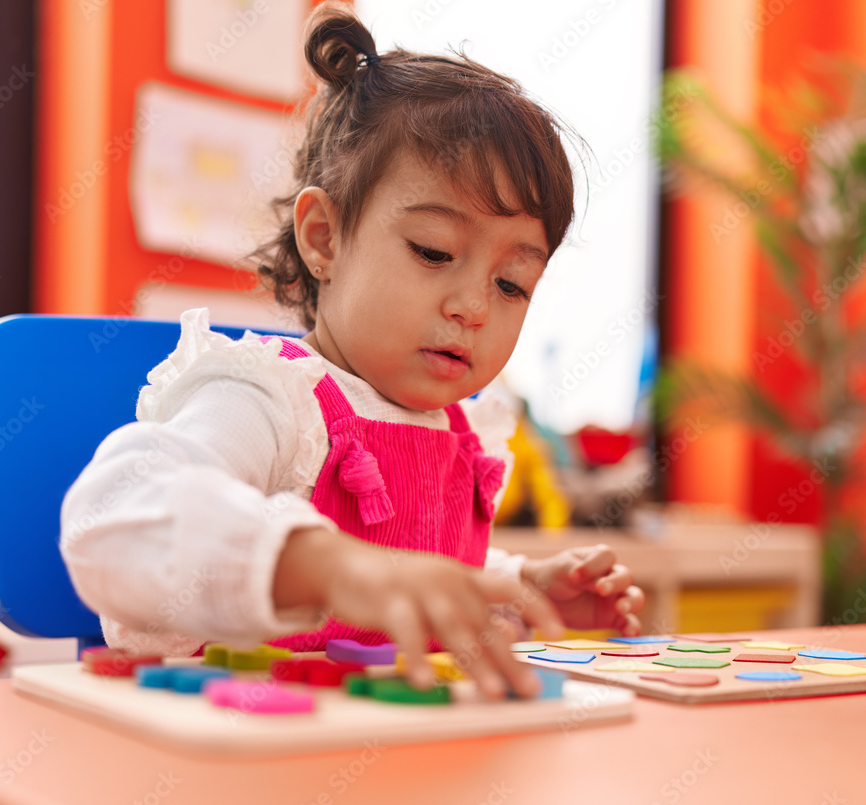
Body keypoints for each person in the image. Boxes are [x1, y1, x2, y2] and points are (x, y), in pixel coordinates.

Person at [60, 3, 644, 700]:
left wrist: (516, 587)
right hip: (239, 756)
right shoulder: (270, 400)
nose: (474, 306)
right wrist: (334, 567)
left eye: (512, 283)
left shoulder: (463, 432)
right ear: (324, 237)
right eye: (434, 251)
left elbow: (417, 572)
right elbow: (112, 513)